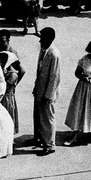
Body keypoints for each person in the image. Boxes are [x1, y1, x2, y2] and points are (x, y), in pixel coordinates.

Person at [32, 27, 61, 156]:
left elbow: (55, 76)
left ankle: (49, 145)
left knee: (48, 118)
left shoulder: (54, 54)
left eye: (42, 39)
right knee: (38, 117)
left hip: (47, 93)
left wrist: (48, 95)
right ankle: (39, 138)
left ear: (50, 39)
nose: (40, 42)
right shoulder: (43, 51)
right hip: (39, 90)